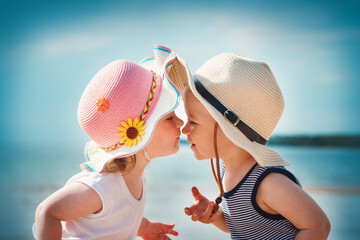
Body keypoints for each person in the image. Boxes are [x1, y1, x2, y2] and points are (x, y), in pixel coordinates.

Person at [34, 45, 191, 240]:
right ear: (139, 136)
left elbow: (116, 214)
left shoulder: (133, 179)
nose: (180, 121)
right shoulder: (101, 187)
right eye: (169, 118)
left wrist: (144, 227)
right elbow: (47, 211)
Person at [181, 53, 331, 239]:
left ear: (227, 129)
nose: (184, 129)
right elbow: (242, 227)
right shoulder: (228, 171)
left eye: (192, 121)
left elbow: (319, 226)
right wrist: (215, 217)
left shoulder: (269, 182)